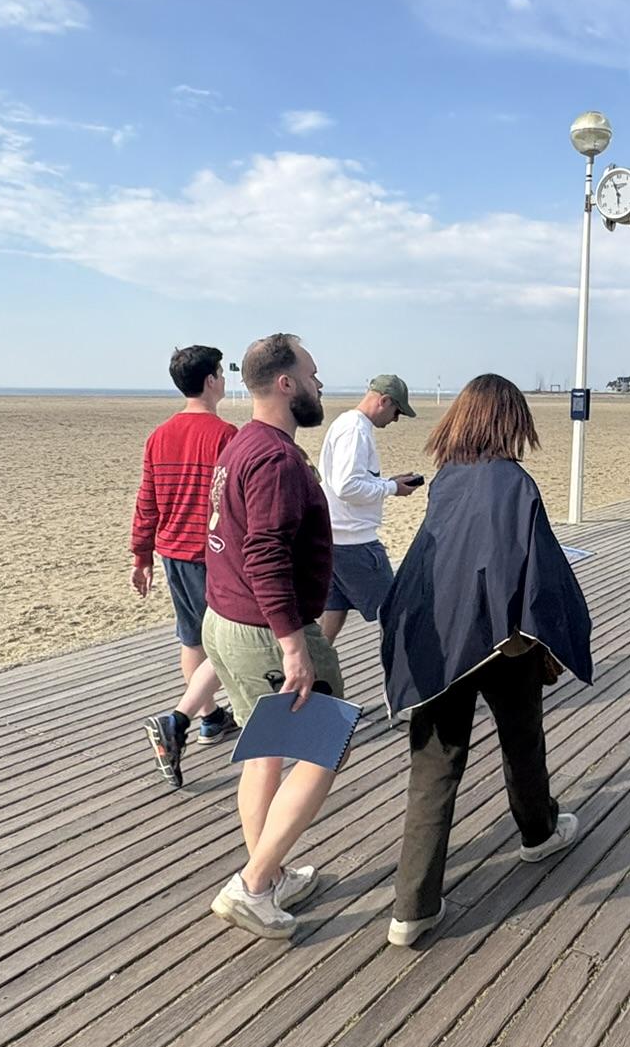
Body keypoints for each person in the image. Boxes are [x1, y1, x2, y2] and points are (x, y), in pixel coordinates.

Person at [378, 376, 592, 946]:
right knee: (522, 741)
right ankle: (538, 833)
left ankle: (412, 908)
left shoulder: (446, 480)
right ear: (509, 422)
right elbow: (539, 571)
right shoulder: (515, 484)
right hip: (503, 641)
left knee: (435, 765)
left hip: (440, 642)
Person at [201, 333, 342, 941]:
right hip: (264, 630)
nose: (318, 384)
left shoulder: (240, 444)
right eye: (312, 375)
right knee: (322, 745)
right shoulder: (278, 459)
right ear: (285, 383)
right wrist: (293, 645)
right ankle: (254, 885)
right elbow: (263, 553)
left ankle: (271, 873)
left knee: (264, 751)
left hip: (224, 621)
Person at [132, 344, 238, 787]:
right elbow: (234, 503)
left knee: (192, 636)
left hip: (171, 551)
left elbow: (147, 499)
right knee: (226, 639)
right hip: (209, 553)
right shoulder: (225, 434)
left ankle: (211, 718)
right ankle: (179, 719)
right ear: (213, 379)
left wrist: (141, 556)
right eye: (220, 372)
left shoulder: (159, 434)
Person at [319, 375, 422, 644]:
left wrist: (386, 482)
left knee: (334, 610)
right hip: (356, 545)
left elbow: (346, 481)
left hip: (334, 540)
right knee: (396, 616)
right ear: (384, 401)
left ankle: (312, 671)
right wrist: (391, 488)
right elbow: (347, 487)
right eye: (397, 411)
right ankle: (403, 684)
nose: (395, 419)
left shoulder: (344, 423)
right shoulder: (356, 430)